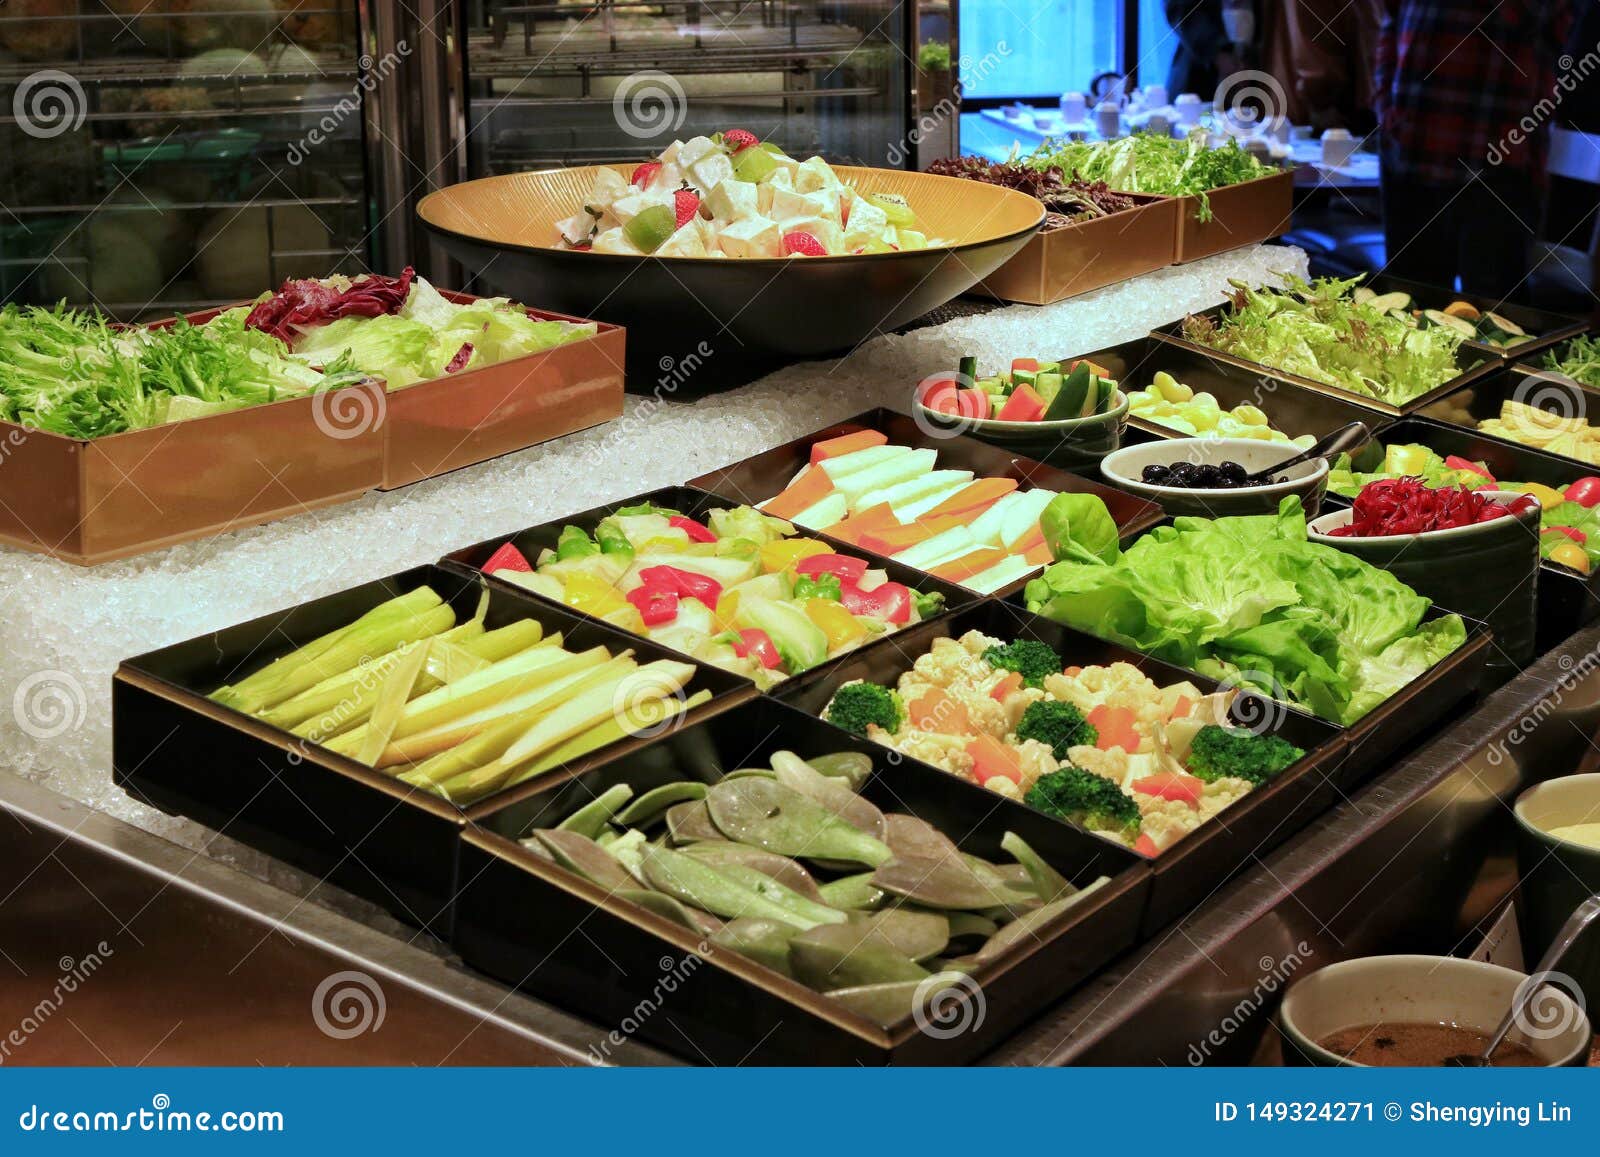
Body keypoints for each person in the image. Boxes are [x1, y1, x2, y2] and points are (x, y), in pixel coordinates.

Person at [1376, 0, 1575, 297]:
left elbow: (1538, 14)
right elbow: (1390, 21)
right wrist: (1386, 112)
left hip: (1498, 168)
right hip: (1411, 154)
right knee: (1405, 313)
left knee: (1495, 324)